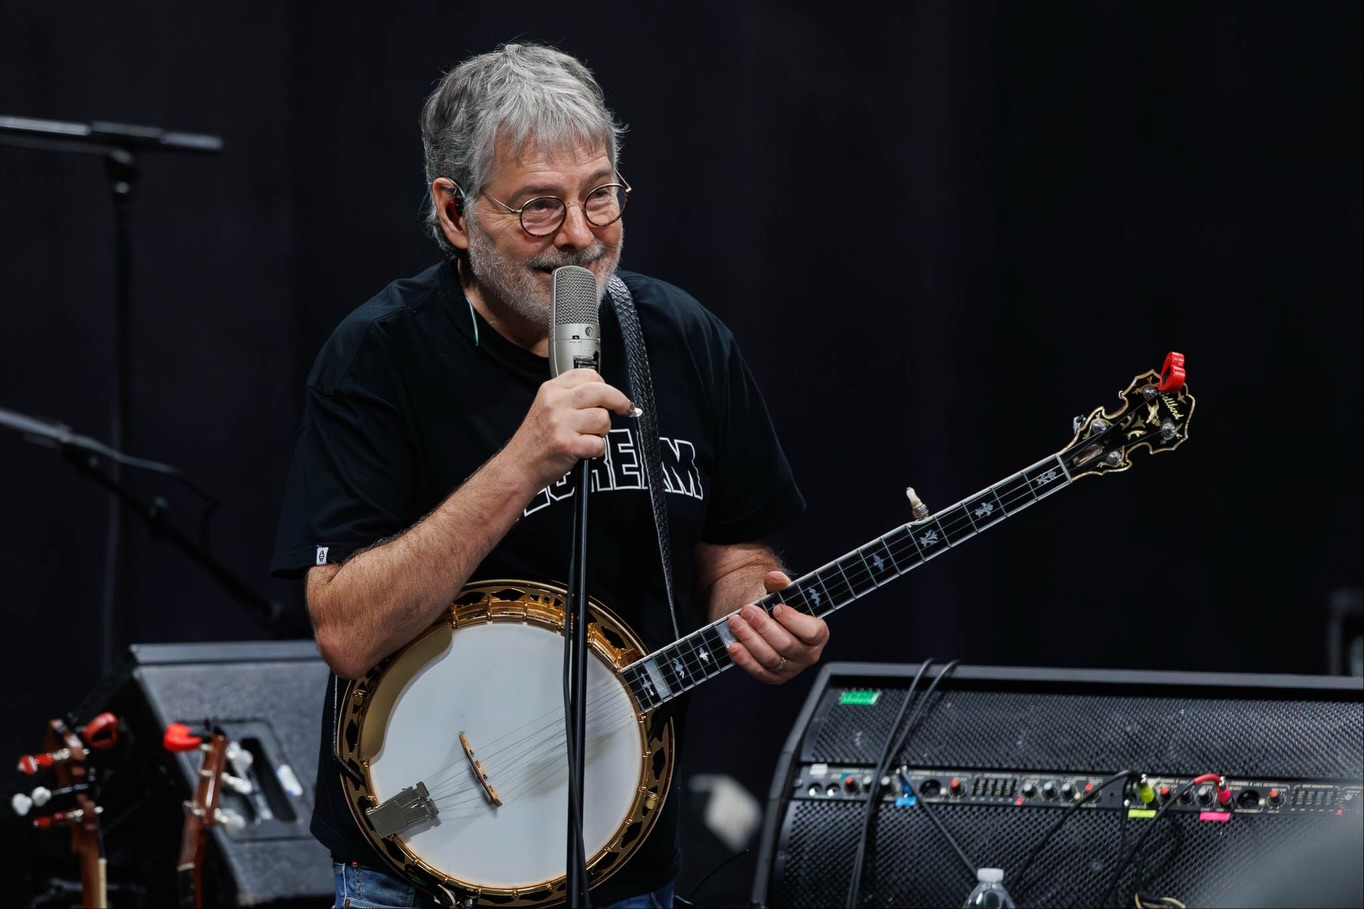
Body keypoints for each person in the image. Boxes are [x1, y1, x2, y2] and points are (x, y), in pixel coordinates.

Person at [270, 41, 829, 909]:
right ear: (454, 212)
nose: (580, 234)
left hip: (626, 870)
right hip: (421, 867)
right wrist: (523, 460)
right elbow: (345, 628)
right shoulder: (379, 356)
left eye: (599, 193)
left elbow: (732, 554)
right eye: (538, 207)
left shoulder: (684, 339)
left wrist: (758, 612)